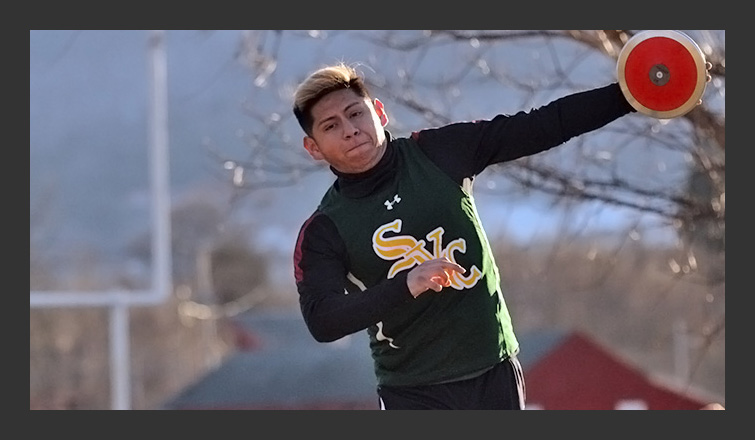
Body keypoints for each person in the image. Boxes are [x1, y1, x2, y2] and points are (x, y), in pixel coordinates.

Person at [291, 61, 637, 410]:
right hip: (412, 391)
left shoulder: (438, 152)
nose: (350, 129)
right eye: (331, 125)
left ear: (379, 113)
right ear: (314, 148)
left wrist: (629, 95)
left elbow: (542, 124)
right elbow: (324, 321)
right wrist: (406, 285)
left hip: (494, 370)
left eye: (356, 113)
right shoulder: (324, 230)